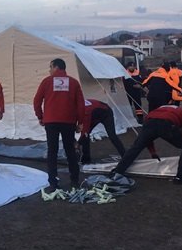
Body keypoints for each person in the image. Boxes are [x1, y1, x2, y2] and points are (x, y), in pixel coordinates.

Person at [33, 58, 85, 192]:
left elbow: (37, 101)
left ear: (56, 67)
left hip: (50, 121)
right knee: (70, 151)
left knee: (52, 151)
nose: (49, 70)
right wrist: (80, 121)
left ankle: (53, 182)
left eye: (50, 67)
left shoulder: (46, 82)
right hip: (68, 121)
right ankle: (74, 180)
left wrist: (40, 116)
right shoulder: (73, 83)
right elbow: (80, 104)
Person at [112, 105, 182, 184]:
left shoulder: (155, 111)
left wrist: (153, 152)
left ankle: (118, 171)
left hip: (150, 123)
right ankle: (180, 177)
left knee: (136, 147)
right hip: (167, 124)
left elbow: (147, 139)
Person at [78, 99, 126, 164]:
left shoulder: (85, 111)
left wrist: (78, 143)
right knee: (85, 136)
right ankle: (85, 158)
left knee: (112, 136)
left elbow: (85, 132)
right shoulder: (79, 107)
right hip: (95, 114)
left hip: (106, 113)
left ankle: (125, 155)